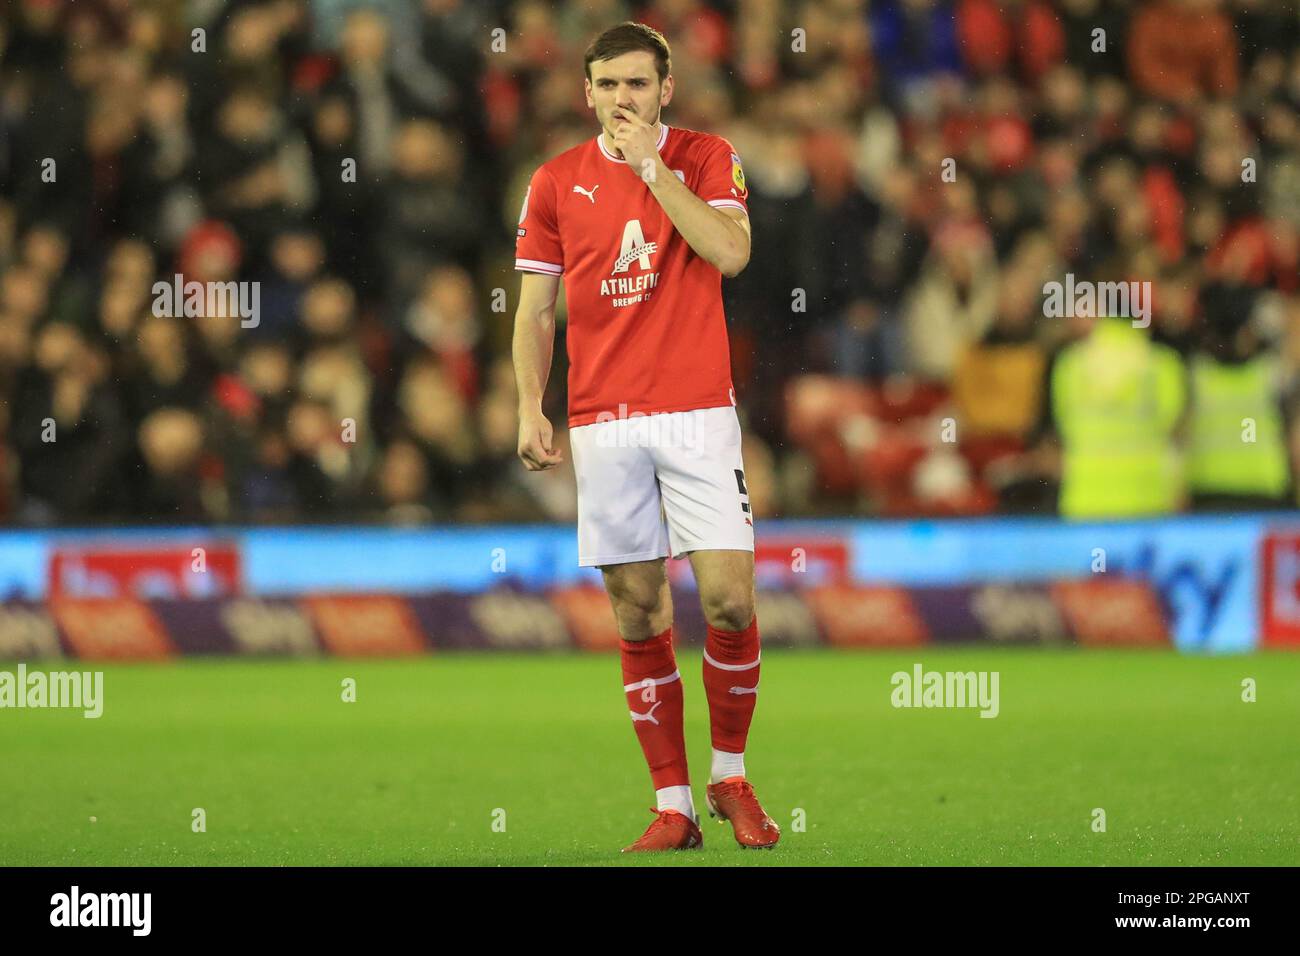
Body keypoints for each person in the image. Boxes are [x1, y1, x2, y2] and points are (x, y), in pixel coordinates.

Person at [511, 22, 778, 852]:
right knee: (636, 609)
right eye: (606, 85)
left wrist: (653, 171)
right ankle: (674, 806)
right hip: (605, 421)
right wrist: (529, 405)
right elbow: (536, 309)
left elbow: (729, 253)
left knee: (731, 599)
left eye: (636, 84)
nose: (621, 99)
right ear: (585, 92)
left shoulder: (705, 156)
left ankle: (729, 775)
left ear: (666, 89)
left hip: (697, 409)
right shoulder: (555, 182)